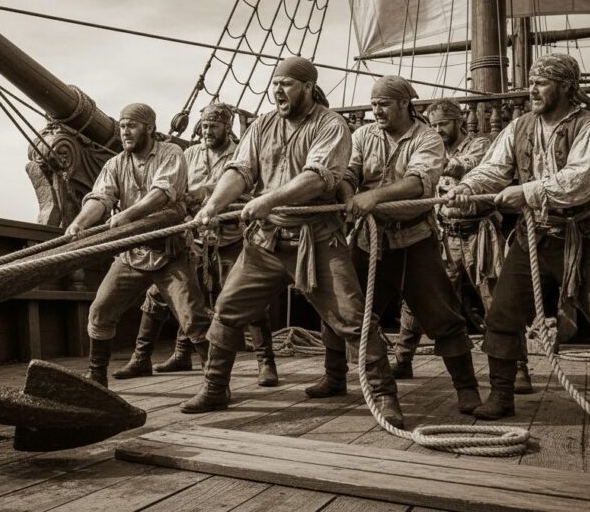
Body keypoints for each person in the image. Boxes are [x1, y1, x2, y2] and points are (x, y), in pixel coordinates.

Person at [447, 53, 590, 444]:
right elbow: (493, 168)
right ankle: (501, 395)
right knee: (502, 315)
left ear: (568, 86)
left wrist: (528, 191)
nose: (531, 89)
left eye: (542, 82)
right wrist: (468, 189)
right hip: (532, 237)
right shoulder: (520, 127)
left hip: (583, 238)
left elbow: (581, 180)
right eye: (532, 82)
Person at [180, 56, 403, 427]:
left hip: (316, 238)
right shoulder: (263, 124)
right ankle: (215, 387)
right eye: (275, 84)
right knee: (228, 308)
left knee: (351, 318)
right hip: (266, 241)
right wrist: (212, 205)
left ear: (307, 87)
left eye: (286, 84)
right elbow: (240, 170)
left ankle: (384, 395)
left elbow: (317, 179)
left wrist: (265, 200)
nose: (277, 90)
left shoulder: (331, 126)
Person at [113, 102, 279, 387]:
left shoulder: (241, 155)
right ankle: (155, 356)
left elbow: (251, 193)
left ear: (227, 128)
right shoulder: (189, 155)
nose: (206, 131)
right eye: (203, 126)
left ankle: (266, 362)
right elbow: (175, 194)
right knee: (163, 296)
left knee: (249, 300)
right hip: (194, 241)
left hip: (231, 239)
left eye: (213, 126)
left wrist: (209, 195)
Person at [344, 77, 481, 416]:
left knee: (443, 317)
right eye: (373, 104)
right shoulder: (362, 135)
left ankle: (467, 389)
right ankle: (339, 378)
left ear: (405, 104)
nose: (376, 110)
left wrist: (372, 196)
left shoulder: (427, 138)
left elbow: (419, 183)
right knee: (348, 313)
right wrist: (347, 193)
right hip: (368, 239)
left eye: (384, 104)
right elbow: (350, 171)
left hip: (414, 240)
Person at [65, 103, 211, 388]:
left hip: (169, 253)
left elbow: (162, 192)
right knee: (100, 311)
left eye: (131, 125)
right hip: (132, 253)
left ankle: (216, 384)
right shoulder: (115, 164)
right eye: (121, 126)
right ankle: (97, 380)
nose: (124, 132)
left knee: (193, 319)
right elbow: (101, 198)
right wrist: (80, 224)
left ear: (149, 127)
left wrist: (128, 214)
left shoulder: (172, 154)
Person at [391, 100, 531, 394]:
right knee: (419, 301)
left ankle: (519, 368)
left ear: (458, 122)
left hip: (479, 235)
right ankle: (403, 358)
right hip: (444, 235)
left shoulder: (480, 144)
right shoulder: (429, 146)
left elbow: (466, 167)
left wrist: (433, 162)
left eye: (443, 124)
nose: (438, 130)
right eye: (434, 125)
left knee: (498, 301)